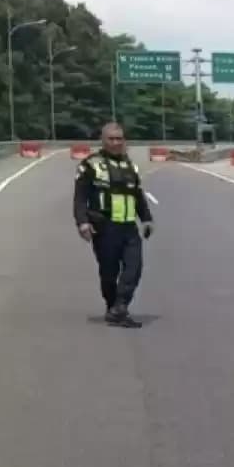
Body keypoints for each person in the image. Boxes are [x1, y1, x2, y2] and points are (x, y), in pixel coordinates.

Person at [73, 122, 154, 328]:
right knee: (108, 273)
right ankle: (113, 307)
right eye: (112, 138)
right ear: (103, 140)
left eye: (120, 138)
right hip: (104, 228)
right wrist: (83, 223)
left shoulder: (129, 165)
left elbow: (137, 194)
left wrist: (146, 218)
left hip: (129, 227)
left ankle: (121, 306)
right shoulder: (90, 165)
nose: (116, 142)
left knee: (134, 268)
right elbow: (80, 198)